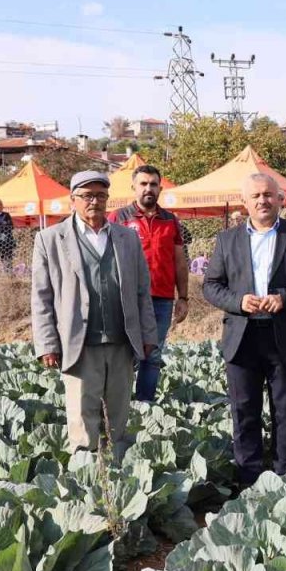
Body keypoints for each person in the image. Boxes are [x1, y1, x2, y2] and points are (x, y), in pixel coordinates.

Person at [204, 173, 286, 484]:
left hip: (284, 334)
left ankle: (285, 473)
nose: (263, 201)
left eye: (269, 195)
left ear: (280, 199)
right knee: (244, 411)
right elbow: (211, 286)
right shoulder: (226, 240)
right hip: (242, 338)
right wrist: (238, 301)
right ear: (245, 202)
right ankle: (249, 477)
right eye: (256, 196)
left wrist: (284, 298)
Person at [31, 171, 157, 457]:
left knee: (119, 417)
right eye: (87, 196)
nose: (94, 202)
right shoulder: (50, 239)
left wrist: (148, 334)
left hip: (121, 341)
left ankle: (118, 474)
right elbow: (41, 297)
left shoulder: (126, 238)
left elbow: (141, 291)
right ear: (72, 200)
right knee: (81, 418)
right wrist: (48, 343)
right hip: (78, 344)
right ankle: (85, 479)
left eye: (101, 195)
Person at [110, 165, 189, 402]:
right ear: (133, 187)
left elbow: (180, 262)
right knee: (125, 354)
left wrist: (183, 297)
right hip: (127, 299)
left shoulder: (170, 221)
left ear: (160, 188)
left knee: (153, 356)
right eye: (143, 184)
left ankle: (145, 406)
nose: (148, 188)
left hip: (162, 299)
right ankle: (119, 406)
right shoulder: (118, 218)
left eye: (153, 184)